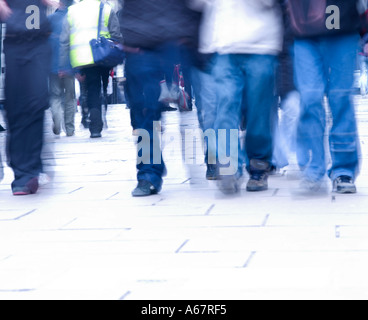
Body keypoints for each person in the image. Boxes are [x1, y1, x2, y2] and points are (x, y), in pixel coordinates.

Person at [191, 0, 283, 194]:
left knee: (258, 112)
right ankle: (228, 167)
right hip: (223, 47)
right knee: (225, 107)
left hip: (261, 46)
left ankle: (258, 165)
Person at [121, 0, 201, 197]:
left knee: (206, 104)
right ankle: (148, 173)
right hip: (139, 42)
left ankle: (213, 159)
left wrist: (188, 32)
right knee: (144, 111)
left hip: (173, 39)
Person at [288, 0, 363, 194]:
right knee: (309, 97)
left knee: (340, 99)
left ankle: (343, 170)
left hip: (342, 27)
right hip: (303, 32)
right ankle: (314, 167)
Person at [0, 0, 54, 195]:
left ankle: (30, 170)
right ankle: (23, 172)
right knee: (16, 108)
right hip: (15, 43)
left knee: (36, 103)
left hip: (39, 42)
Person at [59, 0, 123, 138]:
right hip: (104, 55)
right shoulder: (106, 8)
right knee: (103, 86)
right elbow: (116, 34)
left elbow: (64, 40)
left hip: (83, 58)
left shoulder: (71, 11)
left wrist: (63, 64)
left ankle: (94, 125)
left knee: (90, 89)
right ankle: (99, 114)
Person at [49, 0, 76, 137]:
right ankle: (70, 129)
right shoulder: (74, 18)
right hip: (69, 66)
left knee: (55, 96)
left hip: (52, 66)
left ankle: (57, 122)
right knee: (70, 98)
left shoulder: (50, 19)